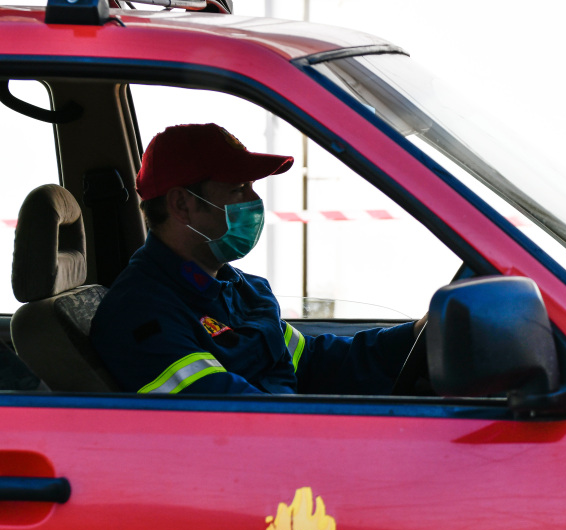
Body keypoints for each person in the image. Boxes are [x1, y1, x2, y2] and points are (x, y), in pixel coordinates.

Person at [90, 123, 421, 395]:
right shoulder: (142, 316)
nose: (255, 201)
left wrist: (416, 335)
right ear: (182, 205)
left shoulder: (241, 289)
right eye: (238, 189)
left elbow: (311, 362)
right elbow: (239, 422)